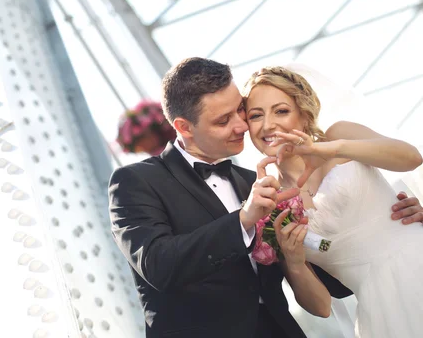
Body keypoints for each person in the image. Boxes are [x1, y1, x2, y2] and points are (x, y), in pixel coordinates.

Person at [108, 57, 423, 338]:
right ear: (182, 127)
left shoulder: (255, 185)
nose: (243, 126)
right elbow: (159, 264)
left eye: (240, 112)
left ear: (304, 110)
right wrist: (290, 255)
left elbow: (409, 158)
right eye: (230, 119)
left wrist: (396, 217)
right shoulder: (136, 182)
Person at [243, 65, 423, 338]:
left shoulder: (340, 135)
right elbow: (322, 306)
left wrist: (329, 148)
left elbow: (410, 158)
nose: (268, 125)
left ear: (304, 114)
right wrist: (294, 261)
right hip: (381, 311)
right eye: (256, 116)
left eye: (281, 111)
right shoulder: (270, 208)